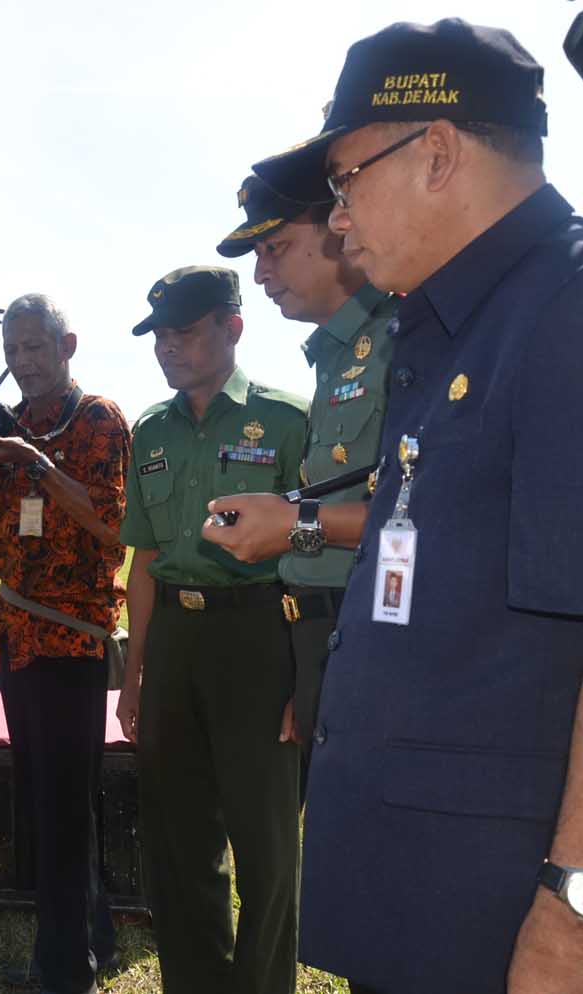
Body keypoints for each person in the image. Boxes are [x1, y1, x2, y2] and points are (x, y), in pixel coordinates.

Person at [250, 18, 583, 994]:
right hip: (430, 885)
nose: (340, 220)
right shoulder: (450, 322)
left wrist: (578, 908)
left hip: (508, 904)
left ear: (436, 150)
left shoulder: (574, 308)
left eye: (347, 179)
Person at [115, 266, 306, 994]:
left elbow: (321, 549)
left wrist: (306, 669)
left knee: (266, 847)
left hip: (260, 637)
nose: (169, 347)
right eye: (160, 335)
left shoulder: (290, 420)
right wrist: (135, 673)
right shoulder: (151, 430)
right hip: (174, 644)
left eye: (185, 331)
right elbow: (146, 559)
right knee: (178, 842)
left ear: (233, 327)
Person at [0, 293, 127, 994]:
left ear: (67, 346)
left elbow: (114, 524)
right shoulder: (11, 424)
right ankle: (95, 938)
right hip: (18, 635)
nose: (22, 362)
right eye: (11, 351)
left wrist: (37, 460)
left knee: (63, 803)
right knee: (48, 797)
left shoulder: (98, 420)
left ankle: (63, 970)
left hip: (73, 641)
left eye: (34, 348)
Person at [204, 172, 397, 788]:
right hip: (320, 639)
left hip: (375, 636)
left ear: (338, 224)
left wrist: (291, 526)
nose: (261, 273)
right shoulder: (337, 354)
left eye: (275, 247)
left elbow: (422, 521)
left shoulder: (405, 337)